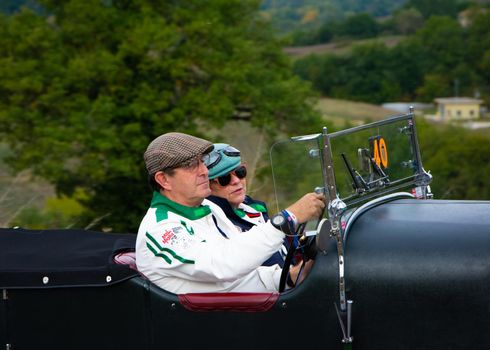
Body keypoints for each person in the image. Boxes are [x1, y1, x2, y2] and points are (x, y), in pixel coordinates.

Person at [136, 132, 325, 294]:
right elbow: (223, 265)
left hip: (238, 317)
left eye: (202, 162)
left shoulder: (209, 208)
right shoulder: (160, 230)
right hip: (209, 328)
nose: (204, 171)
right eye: (191, 165)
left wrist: (290, 277)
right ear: (164, 180)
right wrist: (286, 218)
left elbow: (238, 278)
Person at [205, 143, 289, 267]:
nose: (236, 181)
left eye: (240, 172)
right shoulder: (212, 221)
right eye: (224, 179)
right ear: (206, 185)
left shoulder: (254, 208)